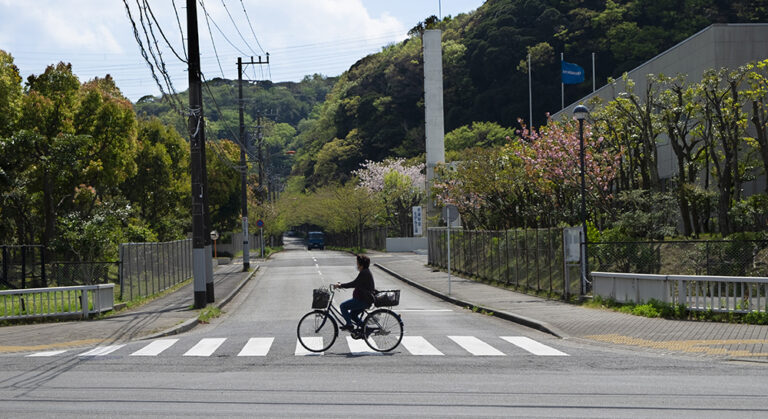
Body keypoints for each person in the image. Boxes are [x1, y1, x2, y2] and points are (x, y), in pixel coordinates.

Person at [333, 254, 375, 331]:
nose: (357, 265)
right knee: (353, 315)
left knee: (343, 306)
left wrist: (340, 285)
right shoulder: (366, 272)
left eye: (357, 263)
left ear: (361, 265)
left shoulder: (364, 273)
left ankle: (349, 324)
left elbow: (354, 284)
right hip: (364, 299)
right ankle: (366, 329)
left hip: (363, 300)